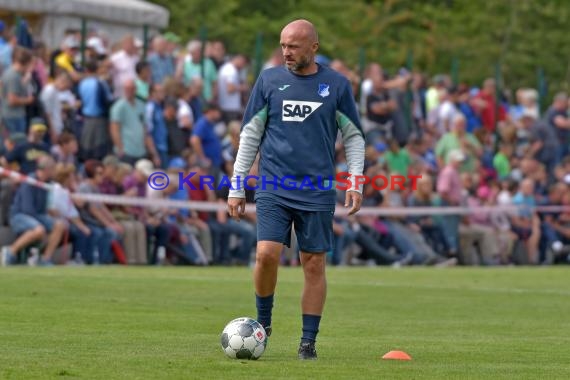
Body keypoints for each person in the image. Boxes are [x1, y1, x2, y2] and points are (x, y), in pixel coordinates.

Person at [227, 19, 365, 360]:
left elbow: (353, 137)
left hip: (317, 189)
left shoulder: (336, 85)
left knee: (314, 264)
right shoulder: (269, 80)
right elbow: (250, 135)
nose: (286, 52)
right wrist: (237, 184)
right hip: (274, 183)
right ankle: (262, 324)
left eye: (294, 46)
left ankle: (308, 342)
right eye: (283, 45)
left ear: (313, 47)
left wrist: (355, 180)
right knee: (266, 254)